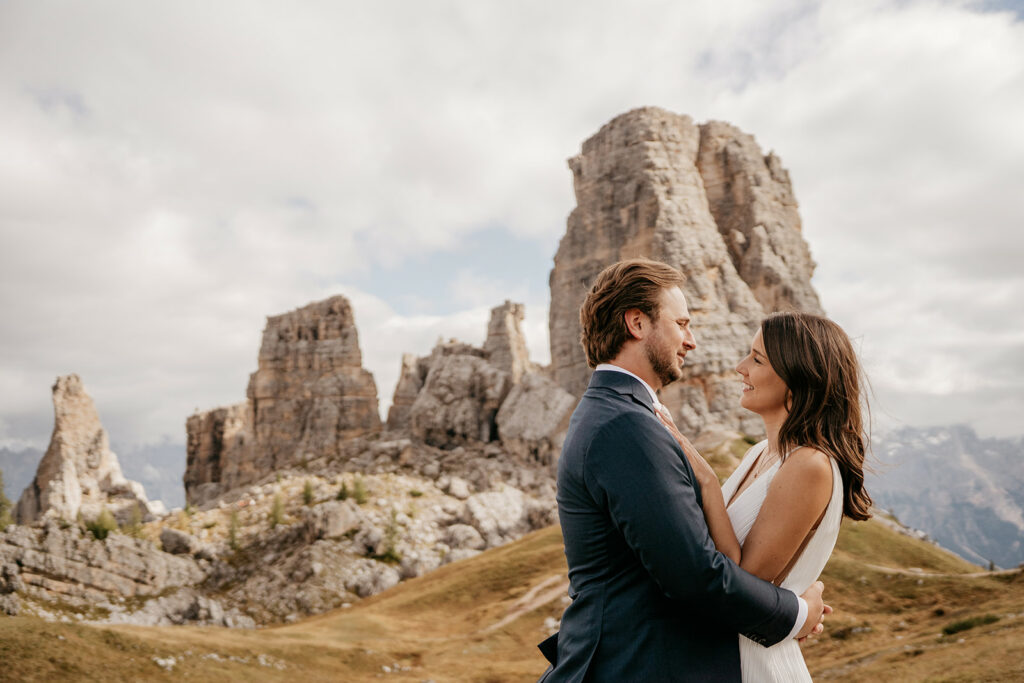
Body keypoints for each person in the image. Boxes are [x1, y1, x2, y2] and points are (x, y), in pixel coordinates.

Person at [537, 259, 829, 683]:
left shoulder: (620, 412)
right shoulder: (625, 423)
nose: (691, 341)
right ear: (637, 323)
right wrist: (798, 613)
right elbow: (695, 575)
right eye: (681, 323)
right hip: (635, 665)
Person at [658, 311, 872, 681]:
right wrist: (798, 611)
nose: (741, 367)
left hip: (756, 668)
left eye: (757, 359)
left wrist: (707, 480)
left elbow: (738, 585)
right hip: (728, 657)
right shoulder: (758, 453)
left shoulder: (810, 465)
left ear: (798, 377)